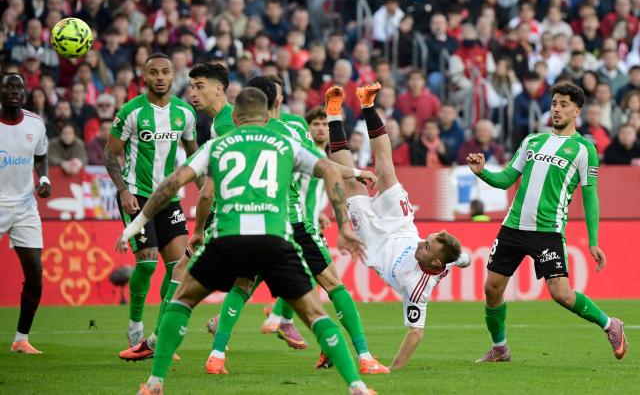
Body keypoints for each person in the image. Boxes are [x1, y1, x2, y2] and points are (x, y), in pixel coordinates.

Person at [118, 87, 376, 395]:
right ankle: (357, 386)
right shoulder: (285, 144)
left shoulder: (218, 145)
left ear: (236, 117)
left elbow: (173, 183)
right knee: (316, 314)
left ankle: (155, 383)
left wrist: (137, 223)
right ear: (267, 115)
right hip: (275, 240)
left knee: (182, 301)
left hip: (228, 239)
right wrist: (344, 225)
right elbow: (331, 171)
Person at [205, 76, 386, 375]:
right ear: (277, 102)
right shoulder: (287, 132)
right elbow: (322, 168)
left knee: (241, 286)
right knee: (332, 284)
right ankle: (365, 358)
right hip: (289, 221)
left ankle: (217, 355)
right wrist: (357, 172)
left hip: (248, 222)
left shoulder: (229, 130)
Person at [467, 81, 628, 363]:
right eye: (554, 103)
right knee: (492, 288)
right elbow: (507, 178)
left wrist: (593, 241)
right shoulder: (532, 141)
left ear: (577, 110)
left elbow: (591, 196)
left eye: (564, 104)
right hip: (513, 227)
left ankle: (610, 324)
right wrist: (483, 173)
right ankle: (500, 349)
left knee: (562, 294)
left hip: (547, 231)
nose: (557, 109)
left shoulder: (583, 149)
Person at [325, 81, 471, 369]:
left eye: (427, 246)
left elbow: (416, 333)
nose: (422, 243)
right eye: (427, 239)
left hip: (375, 242)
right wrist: (464, 259)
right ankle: (367, 103)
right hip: (402, 224)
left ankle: (333, 113)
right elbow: (463, 258)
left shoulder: (418, 289)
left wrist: (394, 369)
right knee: (386, 168)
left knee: (350, 182)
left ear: (436, 260)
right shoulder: (446, 257)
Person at [118, 63, 235, 361]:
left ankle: (167, 343)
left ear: (219, 89)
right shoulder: (219, 121)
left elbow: (208, 187)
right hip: (243, 213)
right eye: (191, 86)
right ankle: (163, 341)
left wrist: (200, 227)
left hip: (231, 215)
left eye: (199, 86)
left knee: (188, 275)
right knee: (184, 273)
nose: (193, 92)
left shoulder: (225, 123)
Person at [105, 53, 198, 351]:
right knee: (145, 265)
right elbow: (110, 154)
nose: (160, 77)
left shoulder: (185, 113)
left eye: (165, 72)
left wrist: (206, 190)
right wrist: (122, 191)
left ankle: (158, 338)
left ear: (173, 76)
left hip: (169, 197)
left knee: (177, 268)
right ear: (144, 77)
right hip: (138, 195)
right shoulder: (131, 111)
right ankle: (135, 326)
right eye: (154, 72)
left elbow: (195, 156)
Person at [0, 73, 51, 354]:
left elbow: (41, 157)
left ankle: (21, 339)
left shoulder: (35, 124)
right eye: (8, 87)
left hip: (24, 206)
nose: (14, 91)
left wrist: (44, 180)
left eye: (19, 87)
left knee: (34, 274)